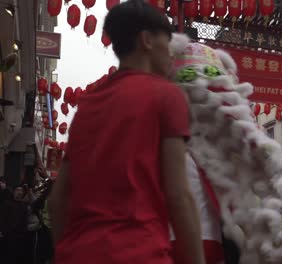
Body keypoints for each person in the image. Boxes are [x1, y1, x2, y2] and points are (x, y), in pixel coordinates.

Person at [48, 1, 205, 264]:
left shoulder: (88, 105)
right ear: (146, 40)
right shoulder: (165, 96)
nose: (171, 54)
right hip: (140, 252)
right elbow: (178, 194)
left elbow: (57, 200)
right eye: (167, 42)